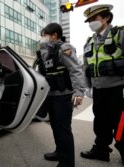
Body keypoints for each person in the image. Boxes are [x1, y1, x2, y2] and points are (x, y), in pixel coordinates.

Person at [36, 23, 85, 167]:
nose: (42, 39)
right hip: (50, 95)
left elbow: (75, 70)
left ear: (54, 35)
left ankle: (67, 162)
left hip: (63, 95)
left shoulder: (64, 48)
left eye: (44, 35)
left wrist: (79, 92)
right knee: (55, 127)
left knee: (63, 129)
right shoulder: (44, 51)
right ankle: (59, 152)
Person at [80, 4, 124, 165]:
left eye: (94, 18)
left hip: (117, 88)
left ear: (106, 18)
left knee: (120, 123)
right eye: (89, 20)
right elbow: (86, 67)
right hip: (98, 90)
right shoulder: (89, 41)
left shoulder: (120, 34)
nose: (91, 22)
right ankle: (101, 150)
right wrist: (88, 86)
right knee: (100, 121)